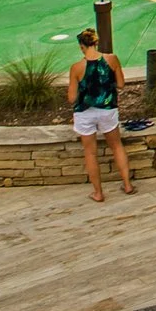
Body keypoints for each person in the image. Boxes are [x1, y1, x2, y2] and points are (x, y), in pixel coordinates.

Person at [66, 29, 134, 202]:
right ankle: (127, 185)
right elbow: (120, 84)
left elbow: (72, 98)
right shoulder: (111, 59)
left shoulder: (76, 68)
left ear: (81, 46)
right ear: (96, 42)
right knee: (117, 146)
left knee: (90, 153)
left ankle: (98, 193)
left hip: (85, 113)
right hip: (107, 109)